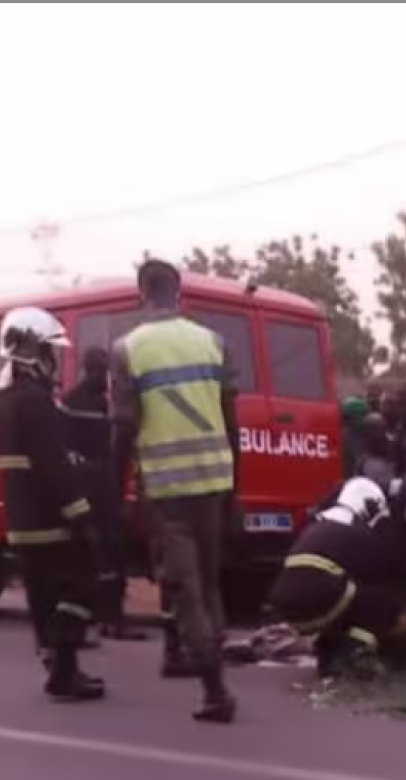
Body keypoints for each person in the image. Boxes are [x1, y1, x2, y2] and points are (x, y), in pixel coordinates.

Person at [111, 259, 240, 724]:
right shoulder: (213, 342)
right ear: (179, 291)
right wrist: (235, 488)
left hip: (167, 491)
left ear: (142, 293)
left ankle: (215, 691)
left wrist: (115, 490)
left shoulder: (128, 349)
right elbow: (231, 422)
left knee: (186, 592)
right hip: (214, 482)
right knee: (209, 585)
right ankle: (215, 675)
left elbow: (123, 428)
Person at [0, 307, 106, 702]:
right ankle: (63, 665)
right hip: (49, 517)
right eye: (48, 350)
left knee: (41, 594)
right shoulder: (34, 400)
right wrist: (83, 515)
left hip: (21, 519)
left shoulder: (4, 398)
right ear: (31, 350)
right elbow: (53, 466)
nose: (52, 359)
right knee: (80, 584)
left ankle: (59, 669)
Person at [268, 477, 406, 679]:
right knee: (382, 598)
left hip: (290, 608)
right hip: (318, 598)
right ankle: (357, 653)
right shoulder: (356, 534)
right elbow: (391, 570)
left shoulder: (317, 527)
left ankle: (328, 655)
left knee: (347, 597)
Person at [59, 346, 147, 643]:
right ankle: (105, 621)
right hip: (91, 490)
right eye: (100, 370)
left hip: (102, 488)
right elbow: (66, 450)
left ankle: (109, 620)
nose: (104, 376)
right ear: (90, 369)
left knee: (108, 555)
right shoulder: (76, 402)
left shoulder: (96, 401)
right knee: (99, 556)